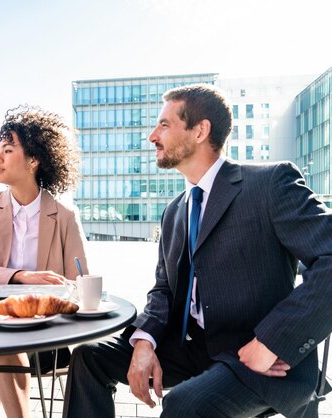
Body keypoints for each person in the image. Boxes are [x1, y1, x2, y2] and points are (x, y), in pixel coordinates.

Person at [62, 84, 332, 418]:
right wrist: (145, 340)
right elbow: (164, 289)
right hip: (194, 348)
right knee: (89, 355)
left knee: (183, 405)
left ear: (200, 130)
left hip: (257, 357)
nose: (151, 136)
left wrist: (272, 342)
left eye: (164, 125)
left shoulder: (270, 184)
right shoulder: (175, 211)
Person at [0, 105, 88, 418]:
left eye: (8, 150)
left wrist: (44, 300)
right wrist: (20, 277)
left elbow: (79, 284)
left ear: (33, 160)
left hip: (46, 334)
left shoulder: (65, 218)